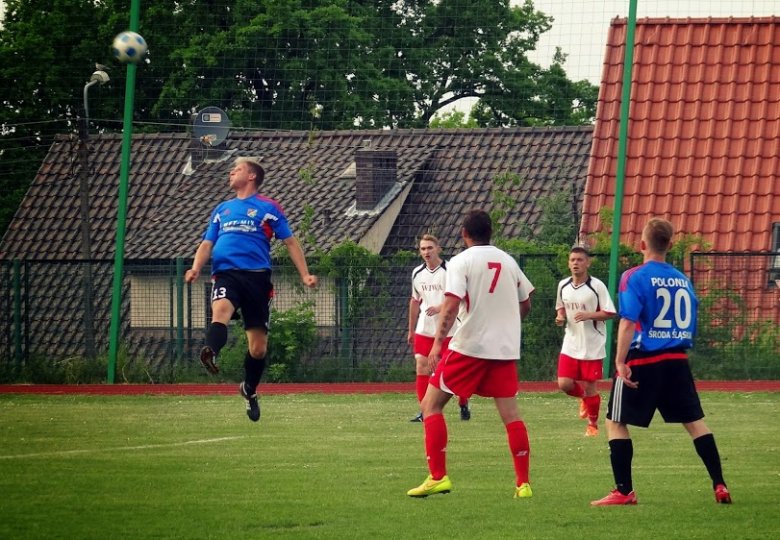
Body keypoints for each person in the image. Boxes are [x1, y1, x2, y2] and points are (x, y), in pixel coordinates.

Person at [591, 218, 731, 506]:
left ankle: (624, 491)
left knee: (615, 421)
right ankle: (719, 484)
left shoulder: (634, 276)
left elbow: (628, 321)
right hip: (677, 359)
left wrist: (619, 361)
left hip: (645, 358)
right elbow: (693, 315)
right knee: (695, 423)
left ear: (642, 245)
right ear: (669, 245)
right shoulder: (682, 279)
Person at [407, 210, 535, 499]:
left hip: (470, 345)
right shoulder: (508, 261)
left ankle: (438, 477)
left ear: (464, 234)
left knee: (430, 406)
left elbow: (450, 306)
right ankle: (523, 484)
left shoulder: (461, 262)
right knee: (512, 416)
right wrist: (505, 324)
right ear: (491, 232)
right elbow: (525, 304)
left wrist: (438, 345)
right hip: (503, 348)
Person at [185, 157, 318, 422]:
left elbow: (290, 242)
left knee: (258, 349)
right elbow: (207, 244)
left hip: (257, 279)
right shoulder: (221, 210)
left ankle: (249, 389)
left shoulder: (268, 208)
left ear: (252, 177)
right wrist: (196, 267)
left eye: (238, 169)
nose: (231, 172)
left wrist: (305, 274)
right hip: (226, 275)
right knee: (220, 312)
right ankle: (211, 351)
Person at [407, 234, 470, 423]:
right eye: (423, 249)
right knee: (421, 366)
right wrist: (410, 330)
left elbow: (459, 298)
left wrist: (441, 307)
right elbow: (415, 301)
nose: (426, 252)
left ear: (438, 249)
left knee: (454, 371)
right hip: (424, 329)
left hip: (449, 330)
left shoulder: (450, 270)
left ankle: (463, 402)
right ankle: (424, 410)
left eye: (430, 248)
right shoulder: (417, 273)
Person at [555, 246, 616, 437]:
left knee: (591, 387)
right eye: (572, 260)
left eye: (580, 260)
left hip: (592, 343)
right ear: (568, 263)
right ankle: (582, 398)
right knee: (564, 384)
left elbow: (610, 312)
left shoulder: (596, 286)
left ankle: (593, 425)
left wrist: (590, 315)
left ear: (587, 263)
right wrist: (559, 316)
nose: (575, 263)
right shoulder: (563, 285)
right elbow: (561, 308)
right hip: (571, 342)